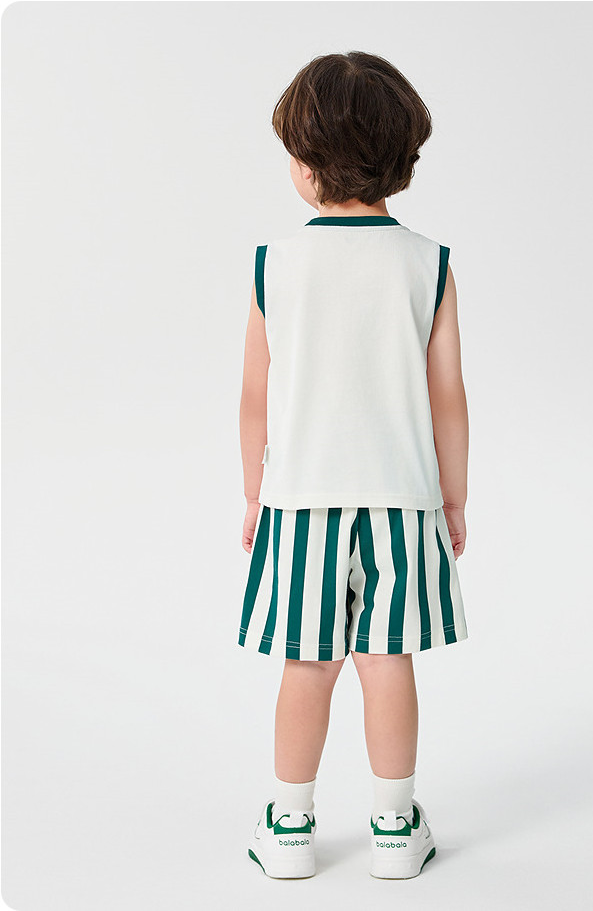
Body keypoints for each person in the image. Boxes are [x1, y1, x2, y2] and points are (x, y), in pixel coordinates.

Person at [237, 50, 469, 881]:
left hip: (300, 501)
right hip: (403, 500)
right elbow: (449, 398)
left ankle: (289, 827)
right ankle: (395, 828)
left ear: (306, 163)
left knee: (307, 664)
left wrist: (255, 495)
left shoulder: (274, 262)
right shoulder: (428, 262)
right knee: (388, 662)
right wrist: (453, 500)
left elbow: (254, 397)